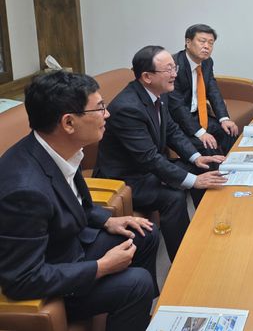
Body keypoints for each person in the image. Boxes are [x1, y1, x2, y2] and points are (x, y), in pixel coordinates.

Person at [0, 71, 158, 330]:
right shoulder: (24, 191)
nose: (107, 114)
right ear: (69, 123)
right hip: (53, 275)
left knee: (144, 233)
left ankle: (138, 317)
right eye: (100, 108)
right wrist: (101, 267)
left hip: (68, 245)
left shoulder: (59, 149)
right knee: (137, 283)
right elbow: (22, 279)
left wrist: (108, 221)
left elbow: (74, 203)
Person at [95, 45, 228, 262]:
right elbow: (148, 158)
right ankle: (184, 259)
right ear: (147, 76)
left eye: (174, 67)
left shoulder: (160, 93)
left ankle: (208, 226)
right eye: (168, 69)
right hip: (126, 177)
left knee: (203, 165)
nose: (175, 74)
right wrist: (194, 181)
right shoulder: (128, 108)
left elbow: (172, 130)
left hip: (148, 167)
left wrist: (196, 157)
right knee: (174, 197)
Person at [169, 23, 237, 156]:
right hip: (177, 120)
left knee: (229, 132)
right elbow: (176, 106)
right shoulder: (173, 66)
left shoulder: (207, 62)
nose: (207, 46)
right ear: (188, 42)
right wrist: (200, 133)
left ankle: (236, 166)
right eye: (202, 41)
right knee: (209, 146)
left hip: (198, 115)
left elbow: (213, 90)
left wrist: (224, 118)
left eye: (211, 43)